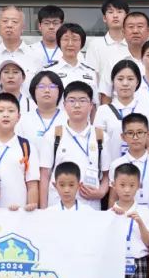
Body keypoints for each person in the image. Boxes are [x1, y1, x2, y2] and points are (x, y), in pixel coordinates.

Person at [39, 82, 107, 210]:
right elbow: (44, 175)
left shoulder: (101, 136)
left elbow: (107, 174)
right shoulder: (53, 134)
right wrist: (43, 210)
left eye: (82, 100)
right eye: (71, 100)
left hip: (90, 206)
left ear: (91, 105)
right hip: (57, 206)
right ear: (64, 105)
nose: (77, 105)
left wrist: (102, 192)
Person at [94, 60, 149, 163]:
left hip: (140, 169)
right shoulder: (103, 110)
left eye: (130, 79)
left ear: (137, 82)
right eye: (120, 79)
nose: (125, 83)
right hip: (112, 168)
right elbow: (99, 145)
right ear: (113, 82)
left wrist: (143, 167)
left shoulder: (146, 109)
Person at [109, 112, 149, 213]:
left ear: (148, 135)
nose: (135, 137)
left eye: (140, 132)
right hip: (124, 218)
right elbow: (113, 197)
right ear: (123, 136)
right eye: (130, 133)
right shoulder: (116, 164)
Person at [98, 11, 149, 103]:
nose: (135, 31)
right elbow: (106, 96)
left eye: (140, 26)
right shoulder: (113, 60)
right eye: (131, 27)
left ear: (148, 31)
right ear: (123, 32)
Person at [83, 0, 130, 89]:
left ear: (127, 17)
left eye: (119, 12)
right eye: (111, 12)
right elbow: (91, 75)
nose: (115, 16)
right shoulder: (95, 45)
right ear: (104, 18)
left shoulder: (133, 44)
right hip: (103, 95)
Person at [44, 22, 98, 92]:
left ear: (82, 43)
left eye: (75, 39)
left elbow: (95, 98)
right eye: (66, 39)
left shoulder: (91, 72)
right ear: (59, 42)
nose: (70, 44)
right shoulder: (48, 71)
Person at [0, 5, 35, 77]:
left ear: (23, 28)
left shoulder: (36, 56)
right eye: (5, 21)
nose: (9, 25)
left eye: (14, 21)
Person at [16, 70, 64, 142]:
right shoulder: (22, 120)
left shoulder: (69, 119)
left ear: (59, 91)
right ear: (33, 91)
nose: (47, 90)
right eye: (41, 86)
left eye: (52, 86)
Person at [33, 5, 65, 70]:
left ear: (62, 26)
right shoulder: (30, 50)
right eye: (46, 23)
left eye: (55, 23)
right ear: (39, 26)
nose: (51, 27)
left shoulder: (72, 51)